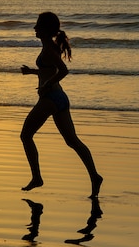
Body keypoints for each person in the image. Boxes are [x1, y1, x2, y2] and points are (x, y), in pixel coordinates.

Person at [20, 12, 103, 197]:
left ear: (45, 29)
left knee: (25, 135)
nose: (34, 28)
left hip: (51, 98)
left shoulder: (49, 49)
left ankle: (37, 177)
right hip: (60, 98)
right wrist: (33, 72)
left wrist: (46, 85)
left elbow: (63, 70)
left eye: (37, 25)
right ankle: (95, 177)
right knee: (72, 141)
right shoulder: (50, 47)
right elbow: (49, 70)